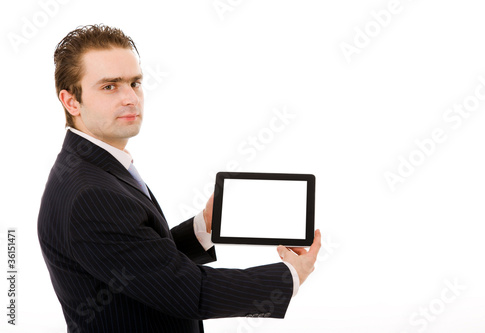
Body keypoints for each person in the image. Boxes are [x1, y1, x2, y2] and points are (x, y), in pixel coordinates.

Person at [37, 24, 321, 333]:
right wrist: (290, 276)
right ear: (71, 101)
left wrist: (205, 226)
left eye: (135, 83)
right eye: (110, 86)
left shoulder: (94, 165)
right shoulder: (90, 194)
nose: (131, 98)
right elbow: (190, 293)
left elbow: (141, 266)